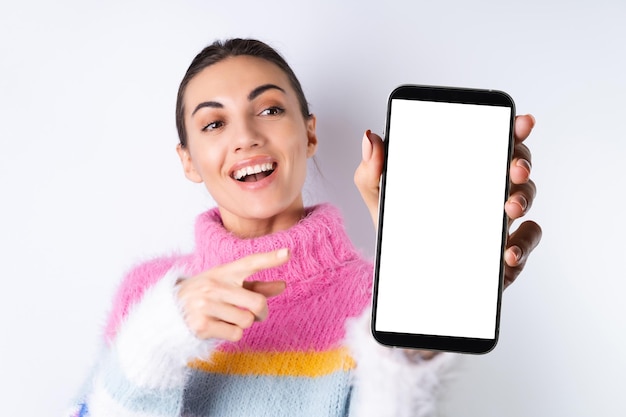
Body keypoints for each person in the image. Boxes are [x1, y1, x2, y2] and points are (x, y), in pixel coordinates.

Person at [64, 38, 542, 417]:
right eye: (213, 124)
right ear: (188, 160)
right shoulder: (152, 297)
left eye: (269, 110)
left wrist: (413, 343)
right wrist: (159, 340)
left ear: (309, 133)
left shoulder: (382, 299)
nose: (246, 137)